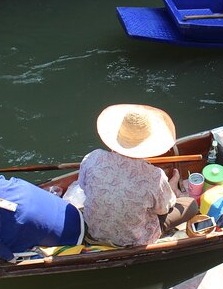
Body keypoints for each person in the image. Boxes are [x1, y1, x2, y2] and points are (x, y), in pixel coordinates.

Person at [78, 104, 198, 247]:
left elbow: (84, 187)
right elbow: (163, 210)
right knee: (191, 205)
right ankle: (174, 193)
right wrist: (171, 190)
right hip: (134, 240)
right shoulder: (154, 177)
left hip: (94, 231)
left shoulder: (93, 158)